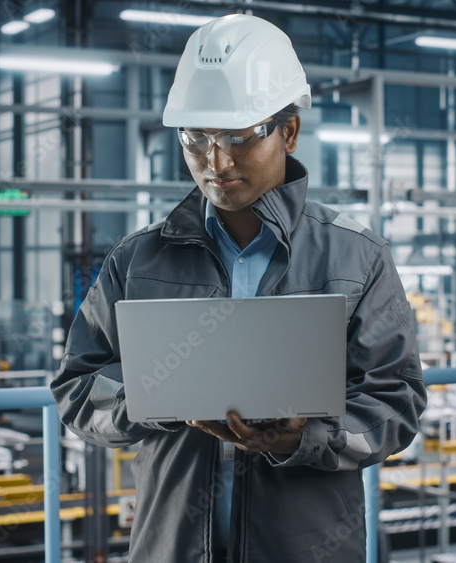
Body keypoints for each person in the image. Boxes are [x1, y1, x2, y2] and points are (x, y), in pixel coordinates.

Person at [51, 14, 426, 562]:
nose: (216, 162)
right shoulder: (136, 260)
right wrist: (154, 397)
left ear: (288, 132)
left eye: (238, 138)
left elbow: (396, 404)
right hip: (172, 546)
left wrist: (302, 439)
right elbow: (76, 391)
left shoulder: (358, 258)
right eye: (196, 139)